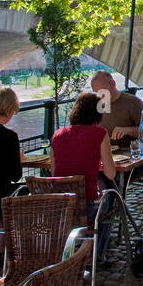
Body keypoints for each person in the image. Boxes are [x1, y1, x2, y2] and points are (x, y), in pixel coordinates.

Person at [49, 91, 120, 258]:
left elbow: (53, 172)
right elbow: (110, 174)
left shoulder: (57, 134)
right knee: (112, 199)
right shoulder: (100, 134)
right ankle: (96, 256)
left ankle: (72, 251)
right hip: (88, 206)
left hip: (60, 206)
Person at [89, 70, 143, 152]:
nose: (100, 96)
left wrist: (127, 130)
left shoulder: (132, 102)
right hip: (104, 154)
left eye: (102, 91)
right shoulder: (97, 105)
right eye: (96, 93)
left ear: (113, 84)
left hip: (129, 152)